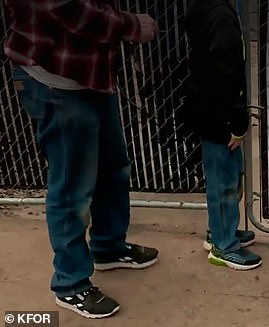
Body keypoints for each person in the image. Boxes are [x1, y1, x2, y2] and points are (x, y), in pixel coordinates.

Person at [3, 0, 160, 319]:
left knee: (112, 168)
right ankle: (70, 283)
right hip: (54, 79)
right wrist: (131, 25)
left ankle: (108, 246)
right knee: (72, 188)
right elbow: (68, 9)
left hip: (89, 74)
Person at [183, 0, 262, 270]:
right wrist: (237, 121)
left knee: (227, 176)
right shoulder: (220, 13)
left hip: (210, 108)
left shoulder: (209, 7)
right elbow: (226, 72)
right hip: (218, 114)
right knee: (224, 181)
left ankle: (220, 230)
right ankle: (222, 244)